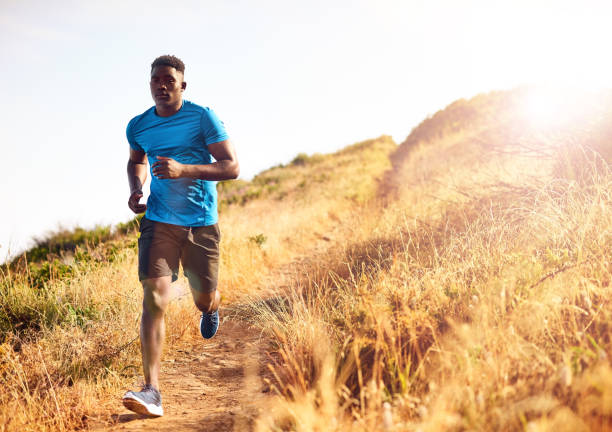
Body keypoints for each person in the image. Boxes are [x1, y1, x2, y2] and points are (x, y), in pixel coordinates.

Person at [121, 55, 239, 417]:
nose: (162, 84)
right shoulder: (139, 125)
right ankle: (152, 390)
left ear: (182, 85)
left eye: (169, 79)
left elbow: (231, 166)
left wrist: (184, 168)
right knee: (155, 296)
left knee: (203, 297)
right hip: (159, 221)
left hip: (200, 222)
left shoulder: (202, 116)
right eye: (156, 79)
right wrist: (136, 188)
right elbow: (136, 159)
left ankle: (211, 305)